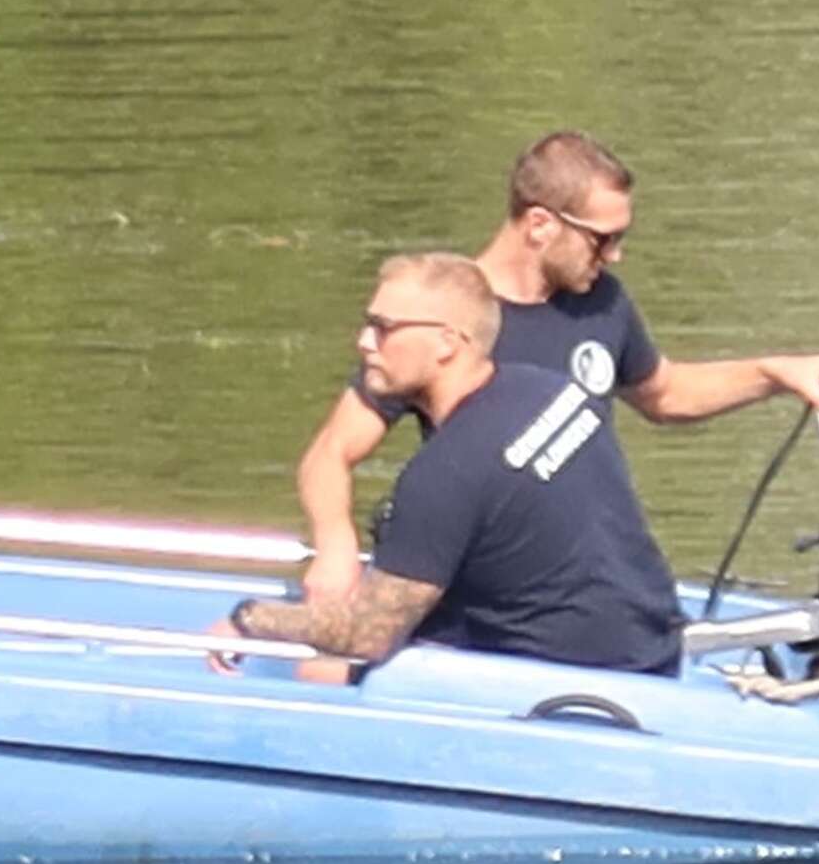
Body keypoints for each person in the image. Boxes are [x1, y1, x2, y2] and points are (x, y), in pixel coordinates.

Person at [295, 130, 819, 608]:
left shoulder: (601, 301)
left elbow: (665, 394)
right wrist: (335, 542)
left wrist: (777, 373)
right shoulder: (441, 321)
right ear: (540, 225)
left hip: (597, 589)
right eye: (602, 239)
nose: (614, 255)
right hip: (500, 600)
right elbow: (332, 454)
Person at [213, 253, 684, 677]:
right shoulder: (556, 391)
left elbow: (367, 636)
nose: (364, 342)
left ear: (447, 342)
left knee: (323, 670)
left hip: (563, 675)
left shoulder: (447, 473)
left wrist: (250, 619)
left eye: (384, 327)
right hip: (654, 648)